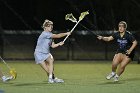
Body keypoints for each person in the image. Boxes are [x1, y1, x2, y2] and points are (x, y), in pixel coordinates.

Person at [34, 19, 71, 83]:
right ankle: (53, 78)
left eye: (51, 26)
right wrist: (66, 33)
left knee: (51, 60)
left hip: (46, 54)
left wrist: (59, 44)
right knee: (47, 70)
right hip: (39, 54)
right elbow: (57, 36)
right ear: (45, 27)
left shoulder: (50, 35)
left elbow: (53, 46)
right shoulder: (45, 34)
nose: (51, 27)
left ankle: (51, 78)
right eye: (49, 26)